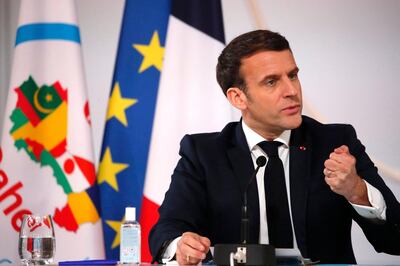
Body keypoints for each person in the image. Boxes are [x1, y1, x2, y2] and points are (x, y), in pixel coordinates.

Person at [149, 30, 400, 264]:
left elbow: (395, 241)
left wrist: (357, 191)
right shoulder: (204, 153)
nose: (292, 90)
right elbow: (166, 230)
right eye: (271, 82)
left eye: (293, 75)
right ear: (238, 97)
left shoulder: (334, 143)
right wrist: (181, 244)